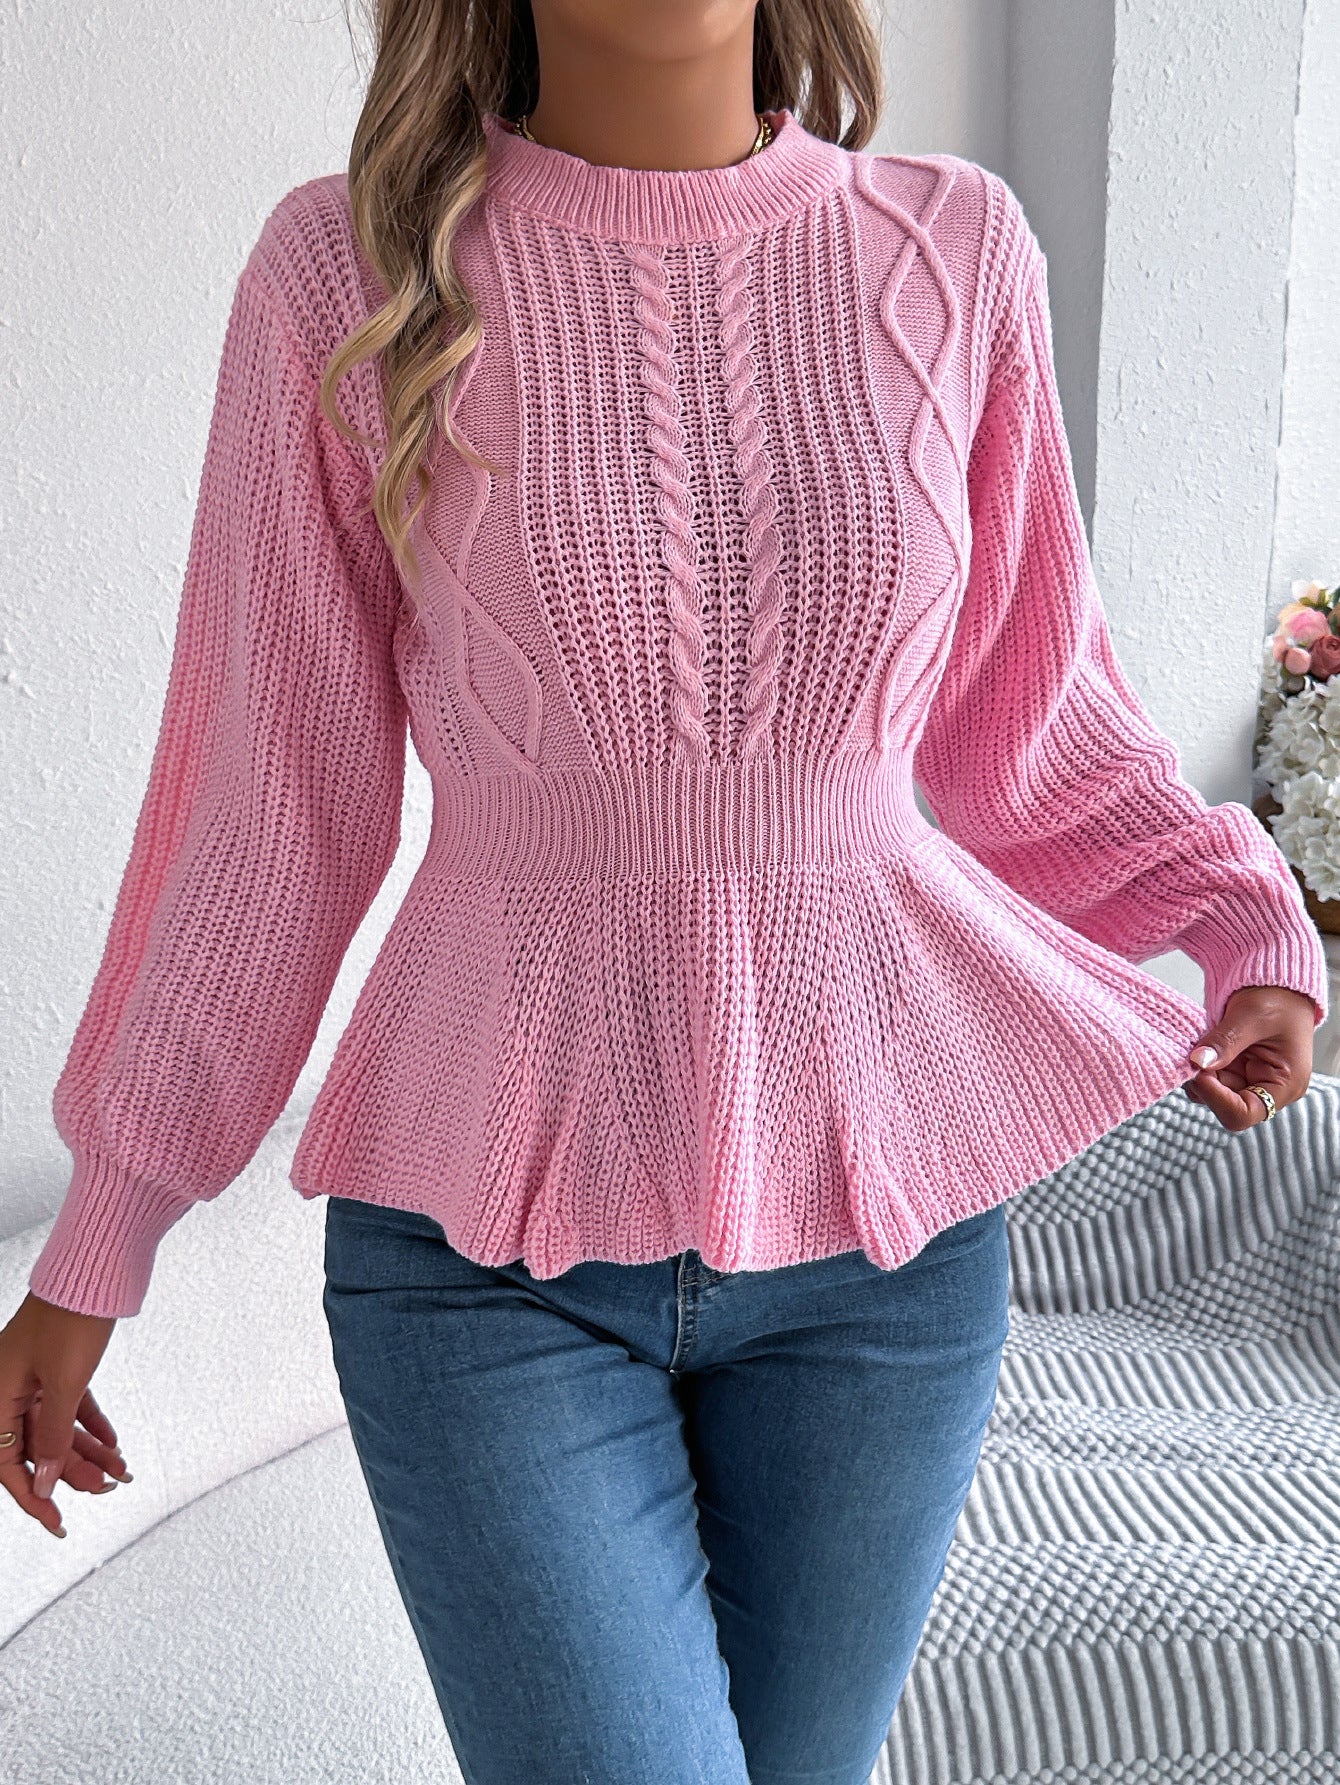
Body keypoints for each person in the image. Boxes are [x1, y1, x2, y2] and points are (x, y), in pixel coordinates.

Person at [2, 2, 1327, 1780]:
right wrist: (109, 1225)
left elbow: (1036, 725)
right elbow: (267, 805)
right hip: (486, 1267)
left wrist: (1244, 923)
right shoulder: (348, 275)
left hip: (886, 1255)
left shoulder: (952, 247)